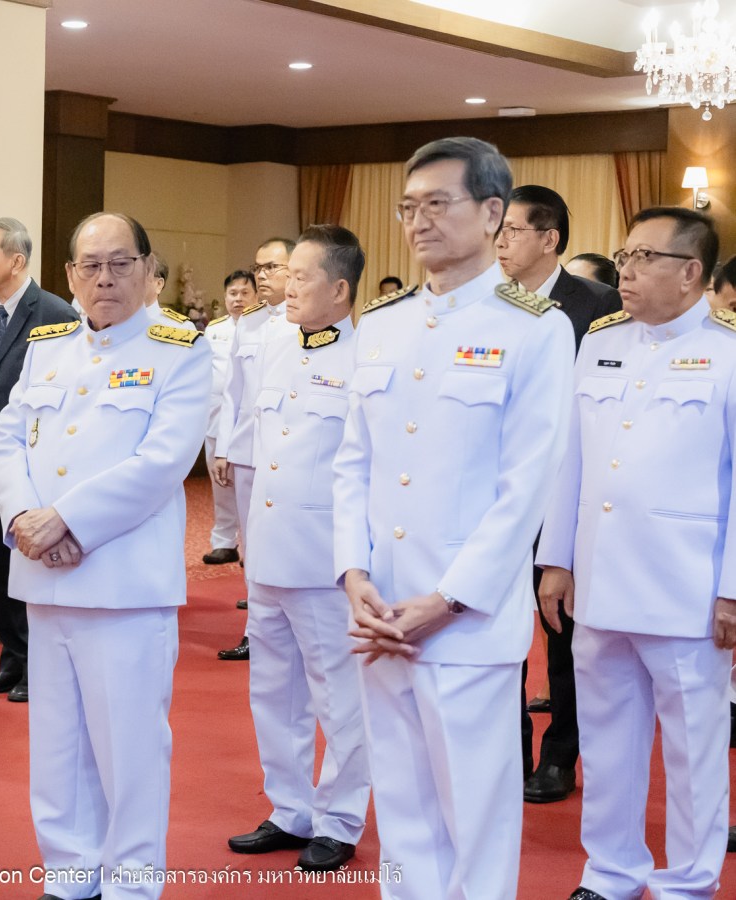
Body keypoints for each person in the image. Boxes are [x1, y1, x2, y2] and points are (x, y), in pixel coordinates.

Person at [333, 136, 574, 900]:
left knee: (475, 815)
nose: (419, 222)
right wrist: (354, 574)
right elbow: (353, 462)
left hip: (464, 618)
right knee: (402, 812)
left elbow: (525, 487)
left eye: (439, 203)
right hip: (381, 611)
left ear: (494, 212)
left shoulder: (535, 326)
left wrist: (446, 600)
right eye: (409, 207)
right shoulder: (383, 324)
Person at [0, 211, 210, 900]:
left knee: (130, 751)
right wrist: (25, 517)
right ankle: (69, 875)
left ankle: (133, 886)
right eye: (91, 265)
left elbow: (161, 462)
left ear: (148, 270)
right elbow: (6, 443)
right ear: (69, 276)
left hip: (122, 585)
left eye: (121, 263)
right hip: (46, 583)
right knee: (57, 746)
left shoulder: (181, 348)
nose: (105, 278)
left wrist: (67, 521)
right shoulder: (48, 347)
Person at [538, 207, 732, 900]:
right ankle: (611, 873)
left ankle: (688, 884)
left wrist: (734, 587)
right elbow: (572, 462)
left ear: (690, 272)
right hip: (599, 583)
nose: (626, 269)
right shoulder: (600, 343)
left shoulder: (729, 350)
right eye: (624, 255)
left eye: (645, 257)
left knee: (693, 753)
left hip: (686, 589)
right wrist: (556, 560)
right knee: (611, 741)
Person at [228, 225, 370, 872]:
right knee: (273, 690)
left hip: (323, 562)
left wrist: (354, 564)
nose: (285, 286)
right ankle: (290, 808)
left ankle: (339, 819)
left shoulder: (364, 363)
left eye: (302, 276)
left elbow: (363, 473)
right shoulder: (277, 348)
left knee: (340, 698)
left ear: (339, 289)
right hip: (269, 551)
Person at [495, 184, 623, 803]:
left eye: (512, 230)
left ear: (549, 239)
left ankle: (559, 757)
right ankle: (507, 750)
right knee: (497, 627)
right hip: (500, 494)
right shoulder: (487, 304)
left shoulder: (599, 307)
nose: (499, 242)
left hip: (568, 496)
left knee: (564, 636)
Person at [0, 217, 77, 703]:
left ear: (17, 260)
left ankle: (38, 664)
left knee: (28, 570)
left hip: (31, 471)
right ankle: (11, 657)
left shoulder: (53, 312)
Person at [212, 236, 297, 661]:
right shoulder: (248, 322)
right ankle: (256, 630)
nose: (263, 275)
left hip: (289, 454)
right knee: (250, 544)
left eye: (272, 267)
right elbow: (233, 393)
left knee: (286, 539)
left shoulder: (308, 321)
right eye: (258, 267)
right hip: (247, 451)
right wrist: (224, 448)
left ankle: (290, 628)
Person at [201, 271, 254, 565]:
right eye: (233, 293)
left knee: (248, 484)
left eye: (245, 293)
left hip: (248, 419)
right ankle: (224, 541)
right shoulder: (215, 330)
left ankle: (250, 546)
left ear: (256, 296)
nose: (238, 299)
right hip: (216, 416)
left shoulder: (263, 329)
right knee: (220, 483)